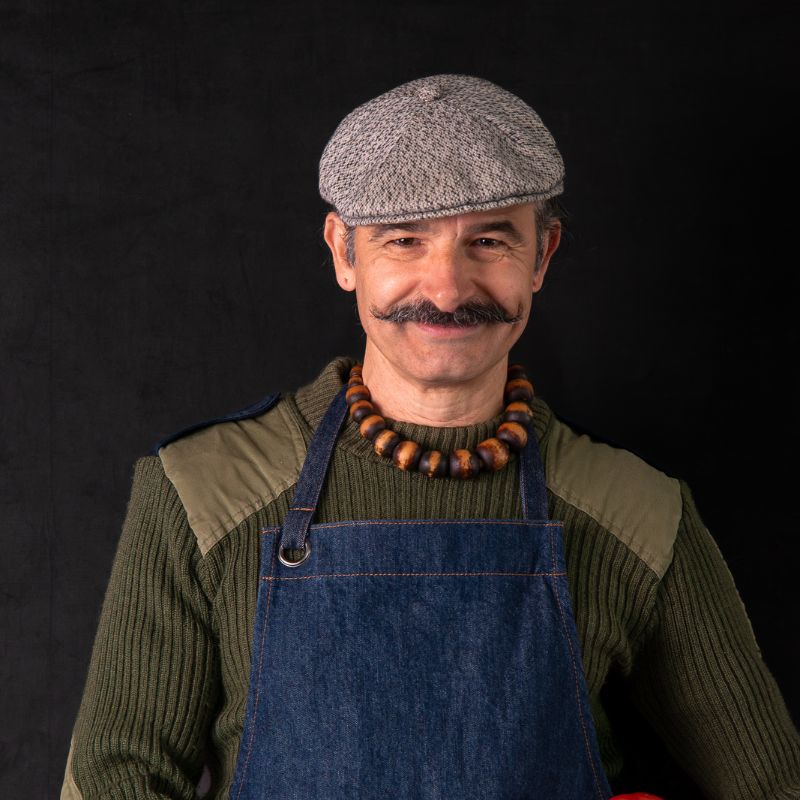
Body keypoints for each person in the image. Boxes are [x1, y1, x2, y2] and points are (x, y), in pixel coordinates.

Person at [61, 74, 800, 800]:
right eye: (405, 241)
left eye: (488, 241)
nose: (446, 290)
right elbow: (115, 781)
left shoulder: (638, 511)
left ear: (542, 256)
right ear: (344, 254)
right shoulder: (202, 489)